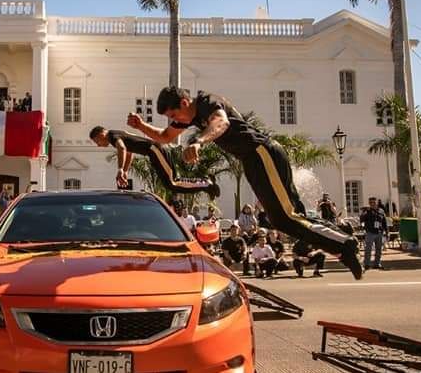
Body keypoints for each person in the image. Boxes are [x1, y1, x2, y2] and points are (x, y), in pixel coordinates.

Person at [129, 87, 363, 279]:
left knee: (286, 217)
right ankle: (342, 248)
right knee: (284, 218)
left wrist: (199, 141)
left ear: (183, 103)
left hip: (263, 152)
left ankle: (345, 244)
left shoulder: (208, 103)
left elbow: (221, 123)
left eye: (173, 116)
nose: (174, 122)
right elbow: (164, 137)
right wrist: (141, 127)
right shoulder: (191, 116)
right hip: (252, 160)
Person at [89, 126, 221, 196]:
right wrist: (125, 171)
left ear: (101, 134)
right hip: (153, 152)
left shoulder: (112, 135)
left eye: (97, 141)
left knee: (173, 182)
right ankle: (205, 184)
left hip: (155, 150)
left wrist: (119, 170)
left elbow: (122, 148)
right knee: (172, 184)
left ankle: (206, 184)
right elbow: (129, 153)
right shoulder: (115, 135)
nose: (98, 145)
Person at [359, 196, 387, 270]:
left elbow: (384, 222)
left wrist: (387, 232)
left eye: (374, 202)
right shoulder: (367, 211)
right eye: (371, 203)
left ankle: (377, 263)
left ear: (377, 203)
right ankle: (367, 264)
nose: (372, 204)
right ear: (369, 203)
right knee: (368, 249)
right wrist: (365, 211)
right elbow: (361, 219)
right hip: (370, 232)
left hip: (379, 232)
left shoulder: (381, 211)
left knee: (379, 249)